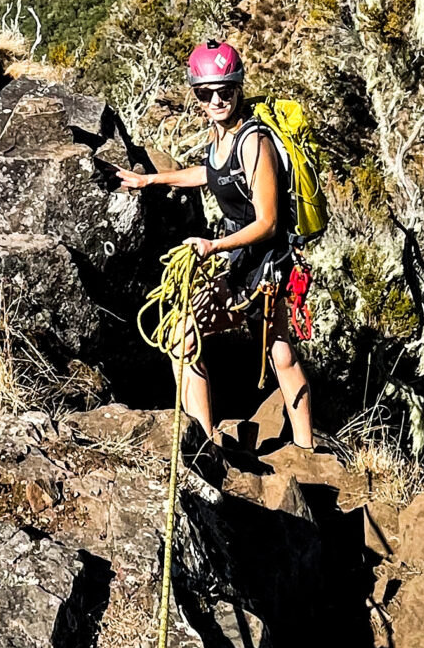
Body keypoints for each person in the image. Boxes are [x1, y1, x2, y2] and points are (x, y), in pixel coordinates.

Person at [117, 41, 315, 454]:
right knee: (278, 354)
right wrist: (151, 181)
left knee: (183, 338)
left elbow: (268, 221)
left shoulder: (253, 141)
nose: (217, 99)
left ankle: (211, 444)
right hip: (248, 260)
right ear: (196, 96)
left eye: (225, 90)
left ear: (239, 87)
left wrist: (214, 245)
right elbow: (211, 175)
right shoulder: (221, 138)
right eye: (206, 93)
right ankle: (298, 447)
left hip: (262, 263)